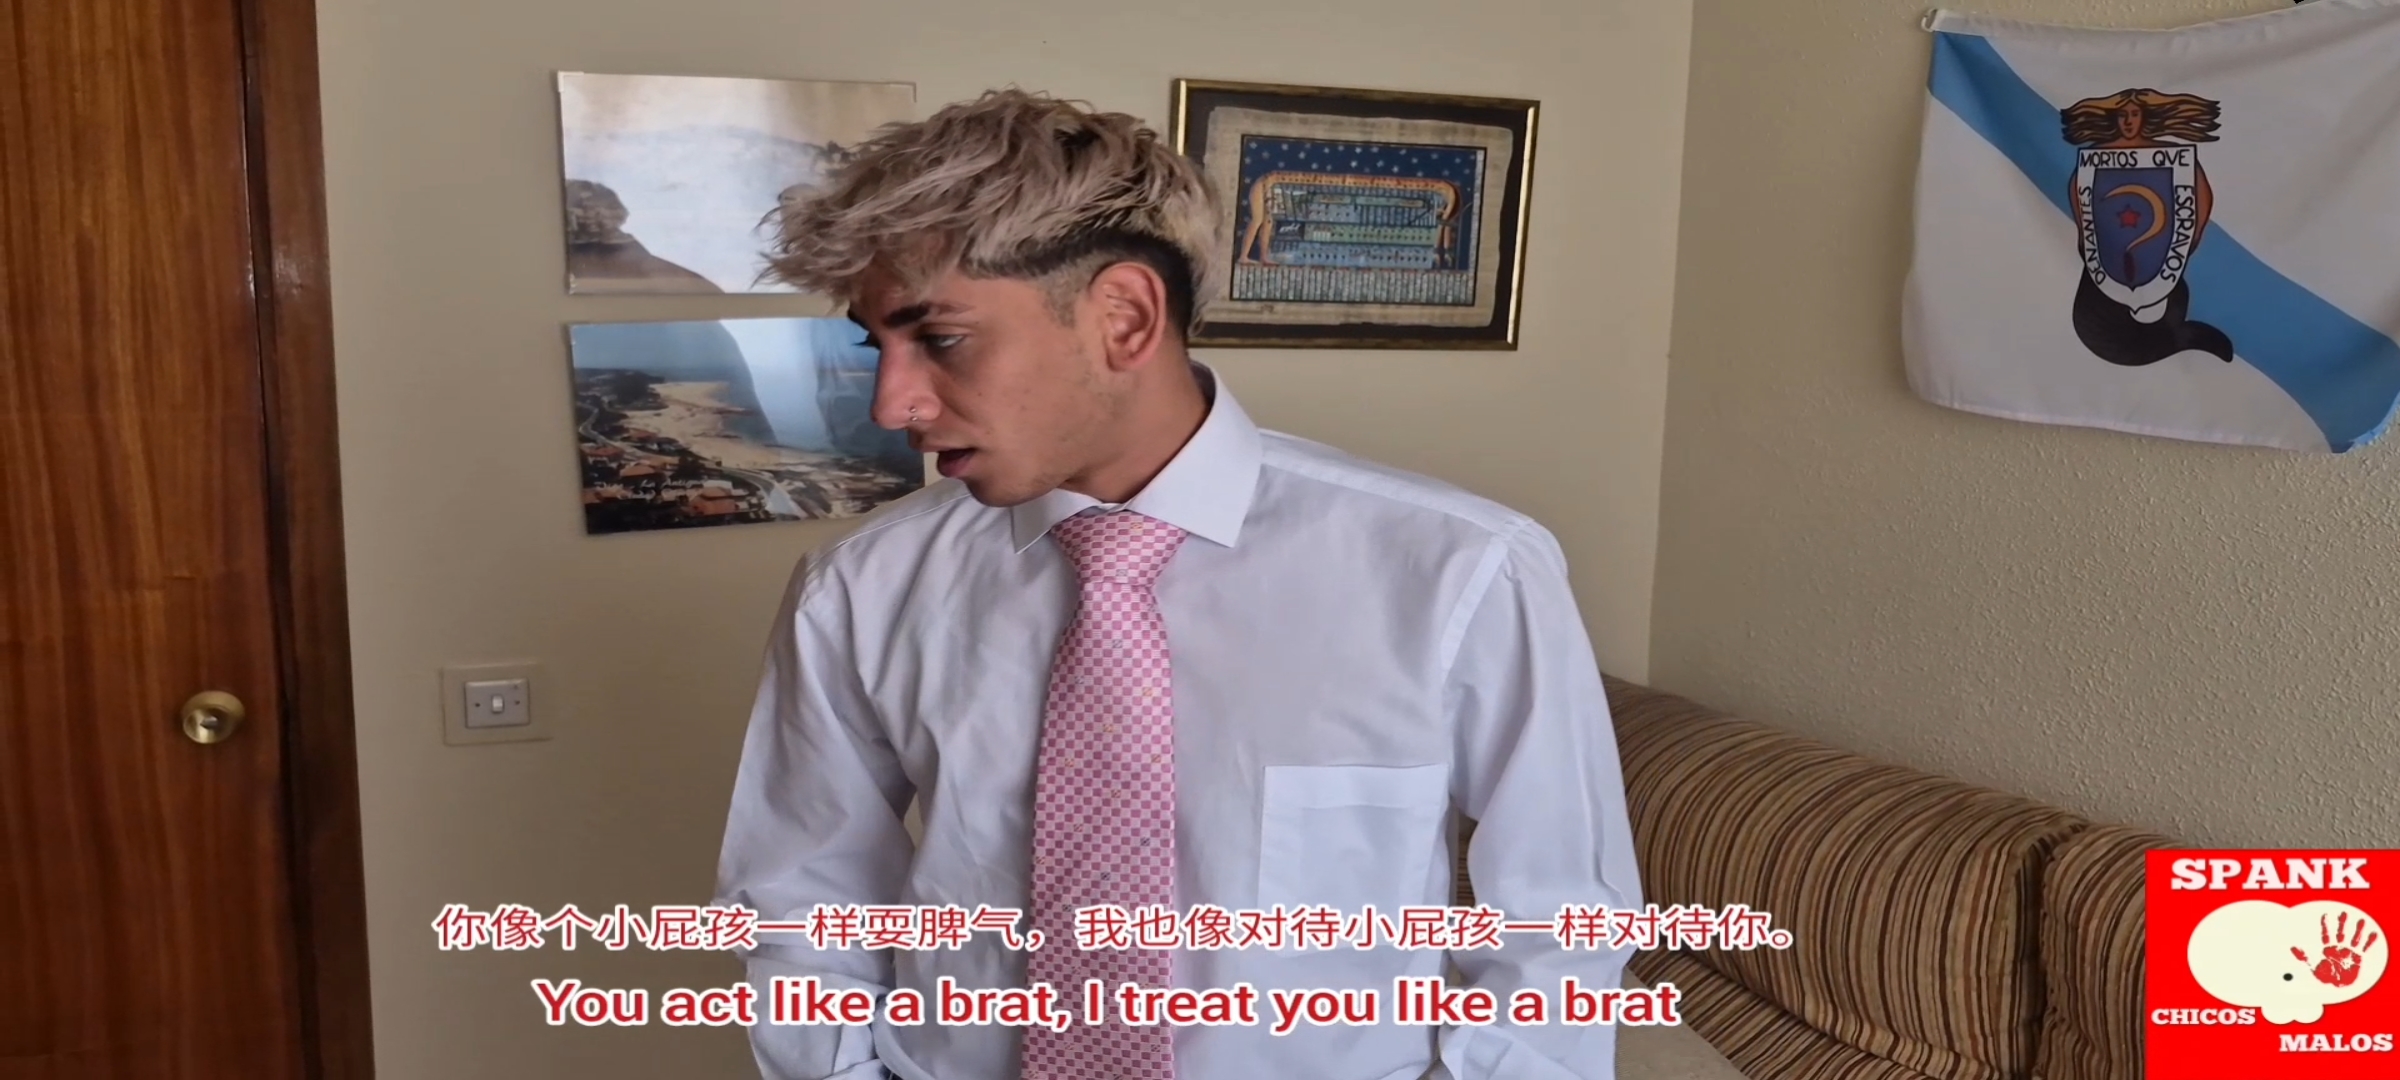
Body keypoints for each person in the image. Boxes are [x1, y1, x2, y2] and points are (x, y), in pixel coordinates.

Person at [713, 88, 1642, 1080]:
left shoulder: (1460, 571)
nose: (891, 403)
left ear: (1124, 318)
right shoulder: (861, 589)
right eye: (878, 346)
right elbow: (802, 898)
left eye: (938, 339)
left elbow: (1562, 927)